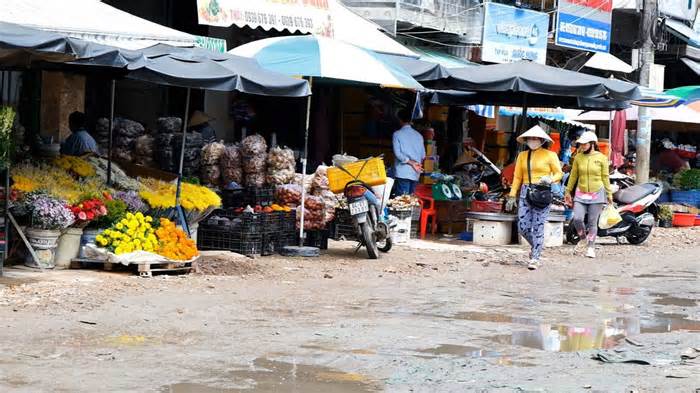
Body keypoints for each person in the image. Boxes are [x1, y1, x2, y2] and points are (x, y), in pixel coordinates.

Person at [506, 126, 563, 271]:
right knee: (522, 227)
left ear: (542, 140)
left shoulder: (550, 155)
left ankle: (536, 257)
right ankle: (536, 246)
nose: (533, 141)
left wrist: (549, 179)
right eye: (530, 138)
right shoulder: (522, 156)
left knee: (538, 226)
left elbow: (559, 174)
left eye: (535, 138)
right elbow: (517, 176)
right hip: (525, 191)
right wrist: (512, 195)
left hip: (542, 192)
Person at [565, 131, 613, 259]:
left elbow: (605, 176)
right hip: (580, 193)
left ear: (592, 143)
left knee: (592, 222)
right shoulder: (578, 158)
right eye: (581, 144)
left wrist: (609, 194)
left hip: (597, 193)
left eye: (585, 144)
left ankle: (591, 247)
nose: (582, 146)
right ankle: (583, 239)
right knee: (577, 219)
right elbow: (573, 175)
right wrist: (568, 191)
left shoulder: (601, 158)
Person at [392, 108, 425, 195]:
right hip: (415, 174)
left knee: (402, 202)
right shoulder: (419, 136)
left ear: (399, 120)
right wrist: (416, 165)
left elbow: (398, 154)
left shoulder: (397, 134)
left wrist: (410, 162)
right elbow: (423, 156)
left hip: (403, 173)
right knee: (411, 201)